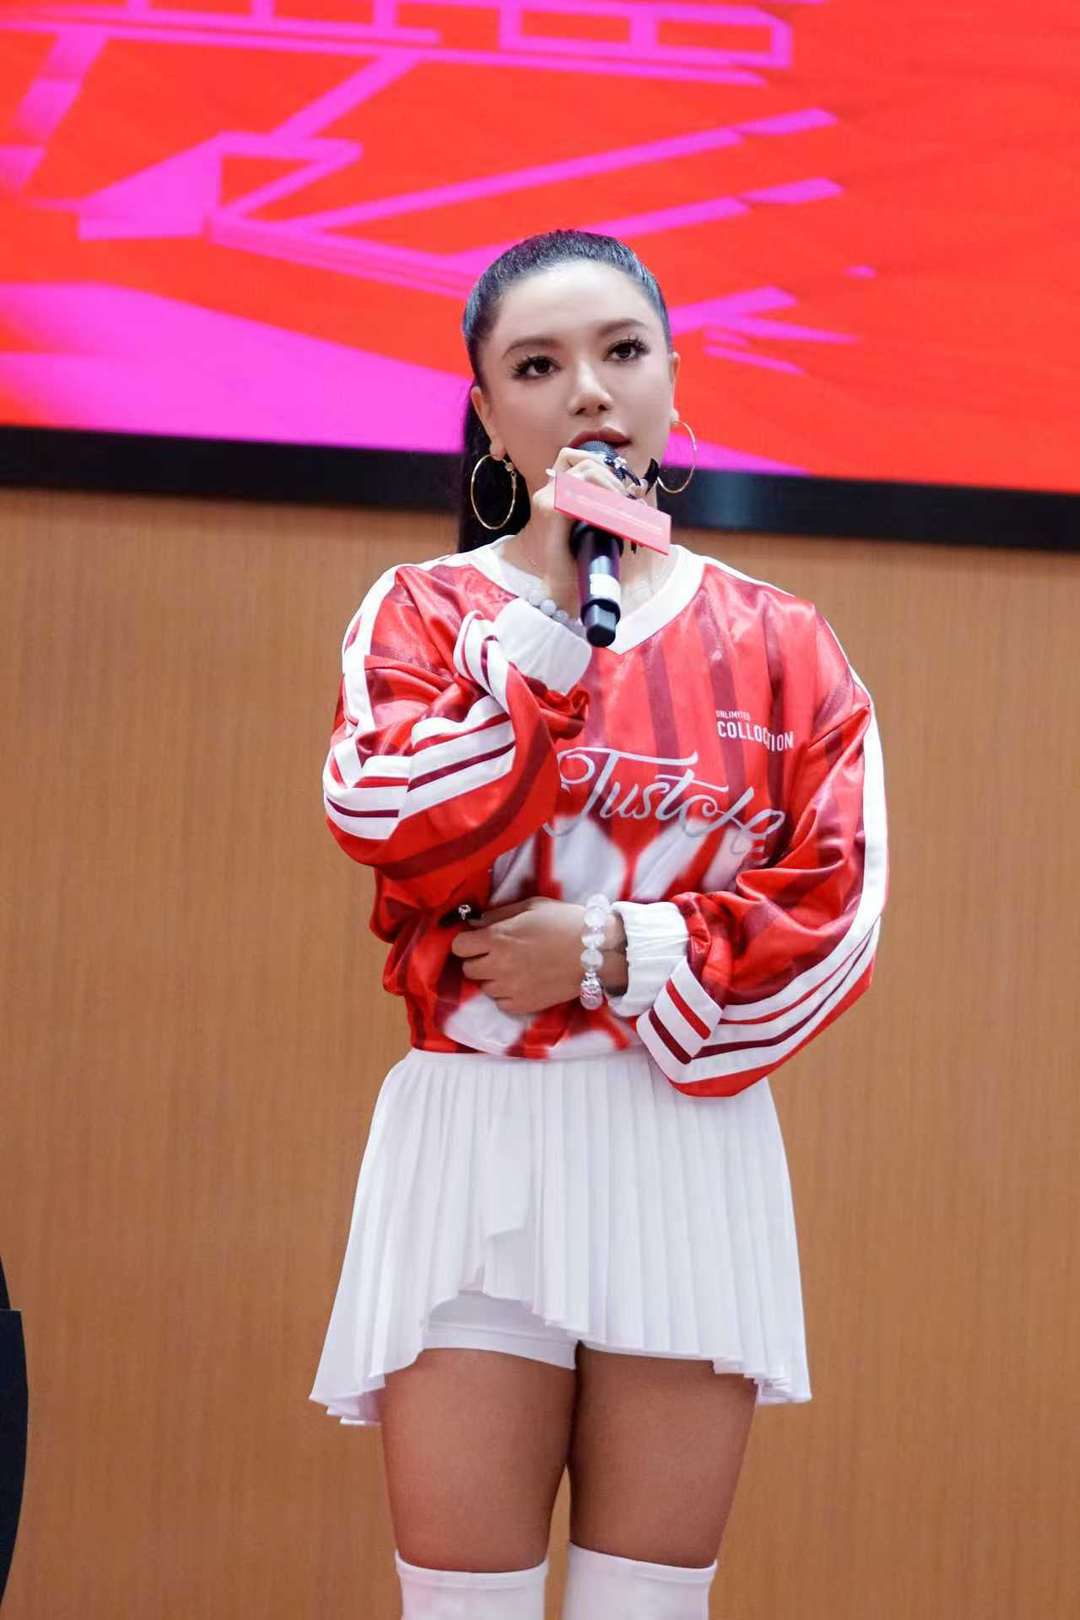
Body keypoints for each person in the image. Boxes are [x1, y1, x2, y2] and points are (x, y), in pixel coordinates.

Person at [309, 229, 888, 1620]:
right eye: (537, 366)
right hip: (480, 1145)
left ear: (673, 378)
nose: (587, 390)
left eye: (622, 351)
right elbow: (389, 822)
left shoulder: (783, 644)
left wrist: (614, 949)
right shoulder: (424, 615)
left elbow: (838, 909)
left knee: (647, 1606)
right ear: (486, 410)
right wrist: (553, 633)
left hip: (683, 1149)